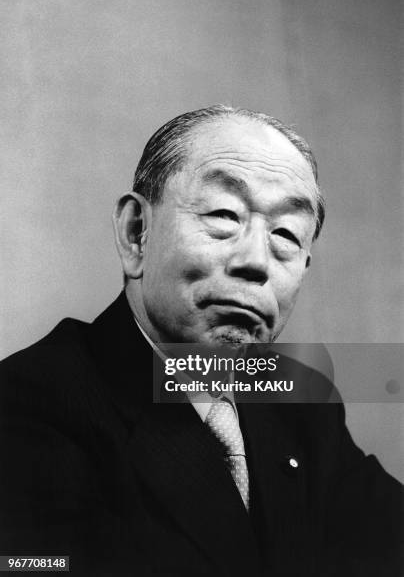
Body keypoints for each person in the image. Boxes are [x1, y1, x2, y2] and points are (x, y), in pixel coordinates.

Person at [0, 106, 402, 576]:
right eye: (224, 214)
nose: (256, 262)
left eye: (287, 235)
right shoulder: (29, 401)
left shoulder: (299, 398)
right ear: (136, 234)